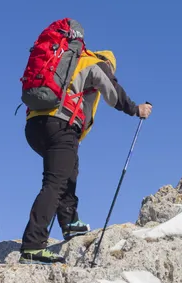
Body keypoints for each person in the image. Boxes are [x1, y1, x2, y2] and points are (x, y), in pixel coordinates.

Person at [19, 21, 152, 264]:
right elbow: (114, 93)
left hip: (35, 125)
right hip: (61, 126)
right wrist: (136, 109)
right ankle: (33, 245)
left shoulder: (67, 61)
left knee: (69, 171)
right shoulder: (94, 62)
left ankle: (70, 223)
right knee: (55, 183)